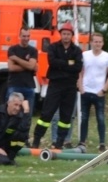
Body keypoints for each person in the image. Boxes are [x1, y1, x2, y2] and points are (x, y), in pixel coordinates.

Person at [31, 21, 83, 149]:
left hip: (70, 87)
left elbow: (78, 66)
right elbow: (52, 62)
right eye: (64, 34)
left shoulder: (77, 50)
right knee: (46, 114)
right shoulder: (53, 47)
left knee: (66, 116)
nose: (66, 36)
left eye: (68, 34)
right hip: (55, 85)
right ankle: (37, 139)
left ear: (72, 35)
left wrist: (62, 64)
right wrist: (68, 63)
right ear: (61, 34)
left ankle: (59, 142)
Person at [78, 32, 108, 152]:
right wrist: (80, 88)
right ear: (91, 43)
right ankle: (82, 142)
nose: (97, 44)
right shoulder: (85, 55)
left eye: (100, 42)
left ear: (103, 43)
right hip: (86, 91)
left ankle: (102, 143)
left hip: (99, 93)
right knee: (84, 118)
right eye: (95, 41)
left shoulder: (107, 56)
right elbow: (80, 72)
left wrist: (104, 90)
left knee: (100, 118)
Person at [6, 27, 38, 113]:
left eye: (28, 36)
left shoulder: (33, 50)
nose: (26, 38)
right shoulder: (12, 49)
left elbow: (32, 67)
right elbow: (11, 68)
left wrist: (16, 59)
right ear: (19, 36)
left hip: (29, 86)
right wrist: (28, 66)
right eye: (24, 36)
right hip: (14, 85)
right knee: (11, 114)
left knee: (27, 115)